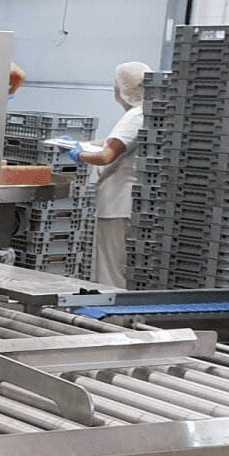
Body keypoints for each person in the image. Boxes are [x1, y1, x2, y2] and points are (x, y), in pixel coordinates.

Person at [72, 62, 152, 289]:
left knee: (111, 271)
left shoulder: (135, 115)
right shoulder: (149, 112)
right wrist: (83, 144)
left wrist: (79, 154)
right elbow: (114, 143)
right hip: (130, 205)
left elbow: (107, 155)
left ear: (124, 90)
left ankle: (113, 320)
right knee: (123, 267)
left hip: (118, 204)